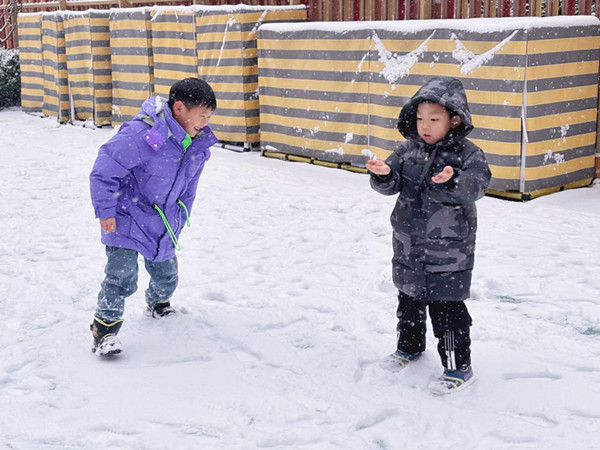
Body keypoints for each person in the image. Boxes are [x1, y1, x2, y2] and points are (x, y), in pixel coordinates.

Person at [366, 76, 491, 395]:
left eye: (434, 119)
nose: (425, 126)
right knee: (408, 302)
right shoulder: (406, 151)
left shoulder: (468, 154)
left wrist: (453, 179)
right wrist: (384, 174)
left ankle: (458, 368)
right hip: (408, 247)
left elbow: (477, 186)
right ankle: (408, 348)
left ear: (454, 120)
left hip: (449, 254)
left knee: (447, 311)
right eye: (420, 118)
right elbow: (392, 184)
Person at [89, 78, 218, 356]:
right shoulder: (143, 134)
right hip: (126, 216)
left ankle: (158, 304)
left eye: (209, 117)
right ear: (179, 108)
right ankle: (105, 330)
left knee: (167, 275)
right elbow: (105, 169)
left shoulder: (196, 145)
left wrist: (181, 216)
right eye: (202, 116)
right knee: (121, 275)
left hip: (162, 219)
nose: (205, 123)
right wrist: (105, 211)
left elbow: (189, 189)